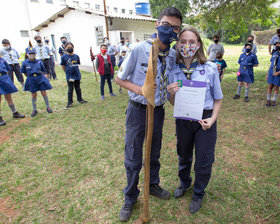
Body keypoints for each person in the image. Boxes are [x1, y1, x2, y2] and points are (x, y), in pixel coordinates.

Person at [116, 6, 182, 222]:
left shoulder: (172, 54)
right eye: (166, 24)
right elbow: (120, 78)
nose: (169, 30)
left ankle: (152, 184)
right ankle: (130, 196)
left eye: (175, 28)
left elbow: (174, 80)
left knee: (154, 151)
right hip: (138, 110)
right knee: (134, 156)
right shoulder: (138, 49)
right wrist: (140, 89)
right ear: (157, 24)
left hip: (159, 110)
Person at [167, 26, 223, 214]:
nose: (187, 45)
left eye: (191, 42)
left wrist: (212, 119)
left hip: (204, 121)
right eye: (183, 42)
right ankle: (185, 183)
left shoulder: (210, 68)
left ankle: (198, 193)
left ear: (198, 44)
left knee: (203, 160)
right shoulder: (174, 70)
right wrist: (172, 94)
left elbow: (218, 98)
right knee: (183, 155)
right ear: (177, 45)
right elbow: (174, 103)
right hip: (184, 119)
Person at [21, 47, 53, 117]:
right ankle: (34, 109)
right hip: (31, 79)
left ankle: (48, 107)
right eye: (30, 54)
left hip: (40, 78)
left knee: (44, 93)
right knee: (34, 95)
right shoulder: (25, 62)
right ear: (27, 54)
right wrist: (30, 77)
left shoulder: (39, 61)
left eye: (33, 53)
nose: (32, 55)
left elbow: (43, 70)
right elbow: (24, 73)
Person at [61, 42, 87, 108]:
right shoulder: (64, 57)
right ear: (65, 48)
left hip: (77, 75)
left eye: (71, 47)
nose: (70, 48)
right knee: (70, 89)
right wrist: (67, 72)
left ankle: (80, 99)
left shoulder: (76, 56)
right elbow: (63, 66)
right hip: (70, 76)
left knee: (78, 88)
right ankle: (70, 102)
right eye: (68, 47)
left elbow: (77, 64)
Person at [0, 56, 25, 125]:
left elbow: (8, 69)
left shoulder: (2, 59)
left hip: (4, 78)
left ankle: (14, 112)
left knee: (8, 97)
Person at [266, 41, 280, 107]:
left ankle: (274, 101)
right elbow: (271, 64)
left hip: (278, 72)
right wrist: (268, 73)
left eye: (279, 44)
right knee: (270, 86)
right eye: (276, 45)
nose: (278, 46)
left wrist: (278, 72)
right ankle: (268, 101)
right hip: (271, 71)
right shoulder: (274, 53)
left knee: (276, 87)